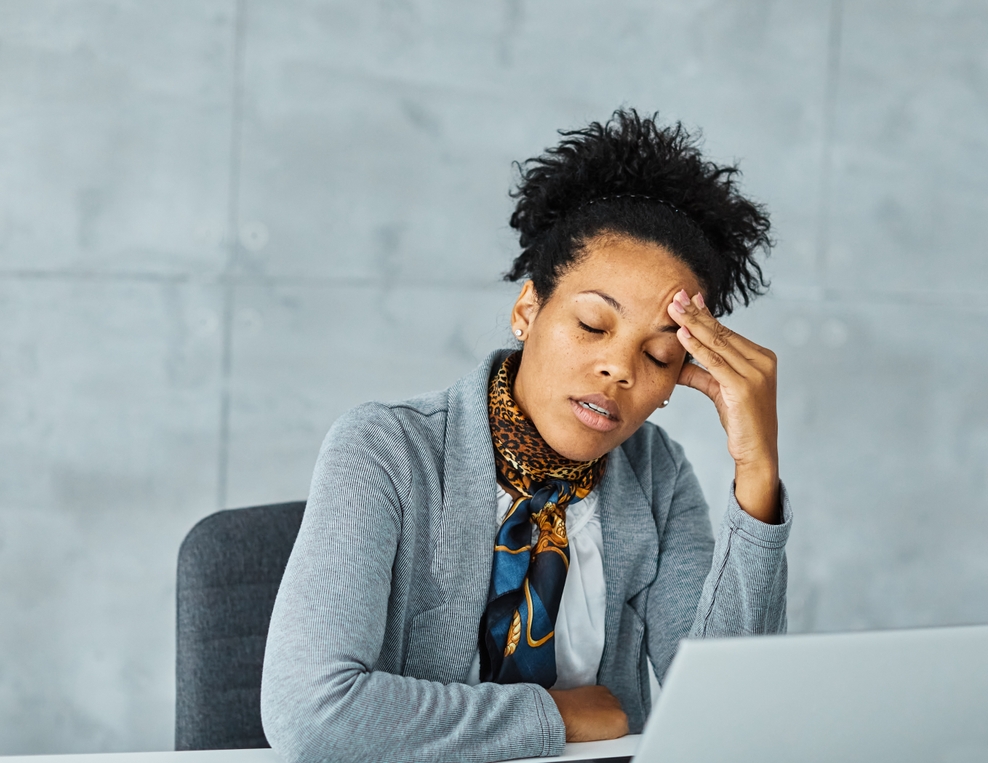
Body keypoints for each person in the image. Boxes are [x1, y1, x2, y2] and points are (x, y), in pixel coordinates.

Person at [260, 109, 790, 763]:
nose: (619, 369)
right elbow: (311, 713)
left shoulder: (658, 476)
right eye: (594, 324)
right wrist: (556, 716)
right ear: (527, 309)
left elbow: (732, 718)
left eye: (657, 357)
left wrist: (756, 470)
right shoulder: (385, 450)